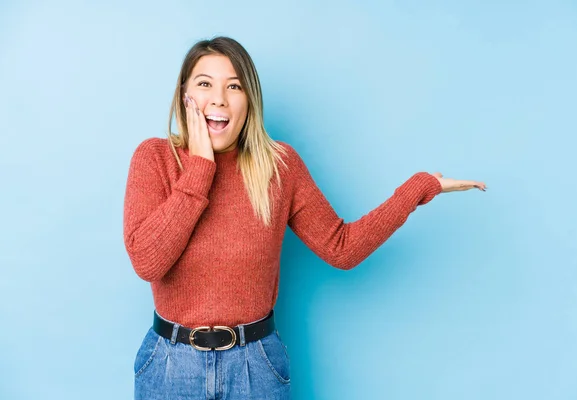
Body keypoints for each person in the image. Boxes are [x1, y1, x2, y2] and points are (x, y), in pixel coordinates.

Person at [123, 36, 486, 400]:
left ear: (249, 101)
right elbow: (147, 261)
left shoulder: (280, 166)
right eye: (205, 84)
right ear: (184, 94)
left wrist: (420, 188)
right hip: (170, 366)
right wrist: (200, 167)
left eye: (234, 86)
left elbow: (341, 247)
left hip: (255, 368)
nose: (219, 98)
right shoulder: (155, 158)